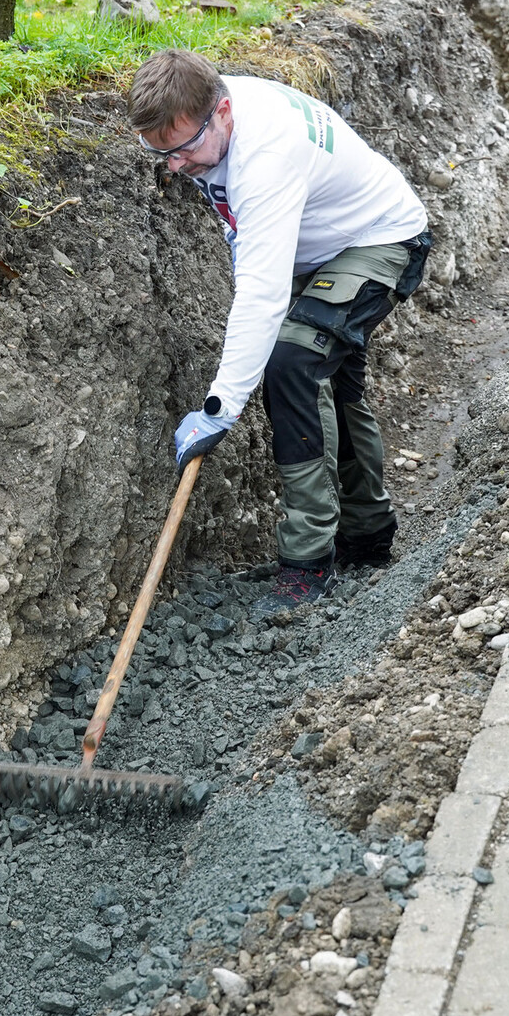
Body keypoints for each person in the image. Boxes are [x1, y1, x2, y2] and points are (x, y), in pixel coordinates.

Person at [128, 49, 432, 613]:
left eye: (182, 149)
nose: (173, 165)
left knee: (294, 363)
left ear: (222, 113)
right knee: (332, 380)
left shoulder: (265, 158)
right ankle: (367, 534)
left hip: (380, 239)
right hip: (315, 246)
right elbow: (247, 237)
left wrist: (220, 409)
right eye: (159, 153)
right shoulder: (203, 109)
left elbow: (263, 294)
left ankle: (307, 562)